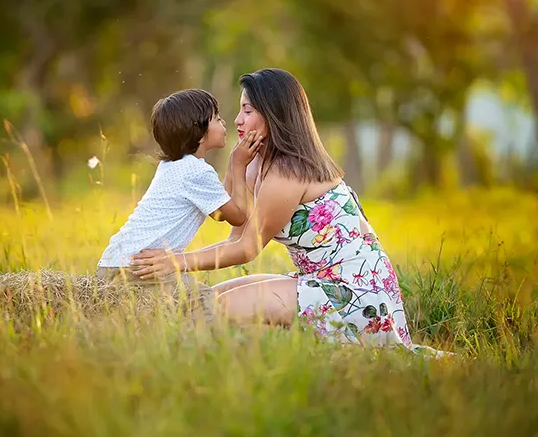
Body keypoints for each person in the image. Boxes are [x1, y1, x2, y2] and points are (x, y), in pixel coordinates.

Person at [130, 69, 424, 349]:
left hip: (353, 294)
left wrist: (175, 262)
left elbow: (247, 249)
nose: (236, 120)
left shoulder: (288, 171)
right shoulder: (257, 162)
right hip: (317, 280)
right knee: (205, 301)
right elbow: (234, 234)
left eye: (247, 111)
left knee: (212, 311)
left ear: (273, 115)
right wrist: (236, 165)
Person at [95, 89, 262, 322]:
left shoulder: (175, 167)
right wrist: (237, 165)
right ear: (201, 133)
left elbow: (217, 209)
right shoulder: (196, 171)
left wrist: (235, 164)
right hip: (138, 268)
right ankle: (210, 349)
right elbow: (238, 216)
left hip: (116, 263)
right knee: (199, 300)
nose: (225, 122)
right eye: (217, 118)